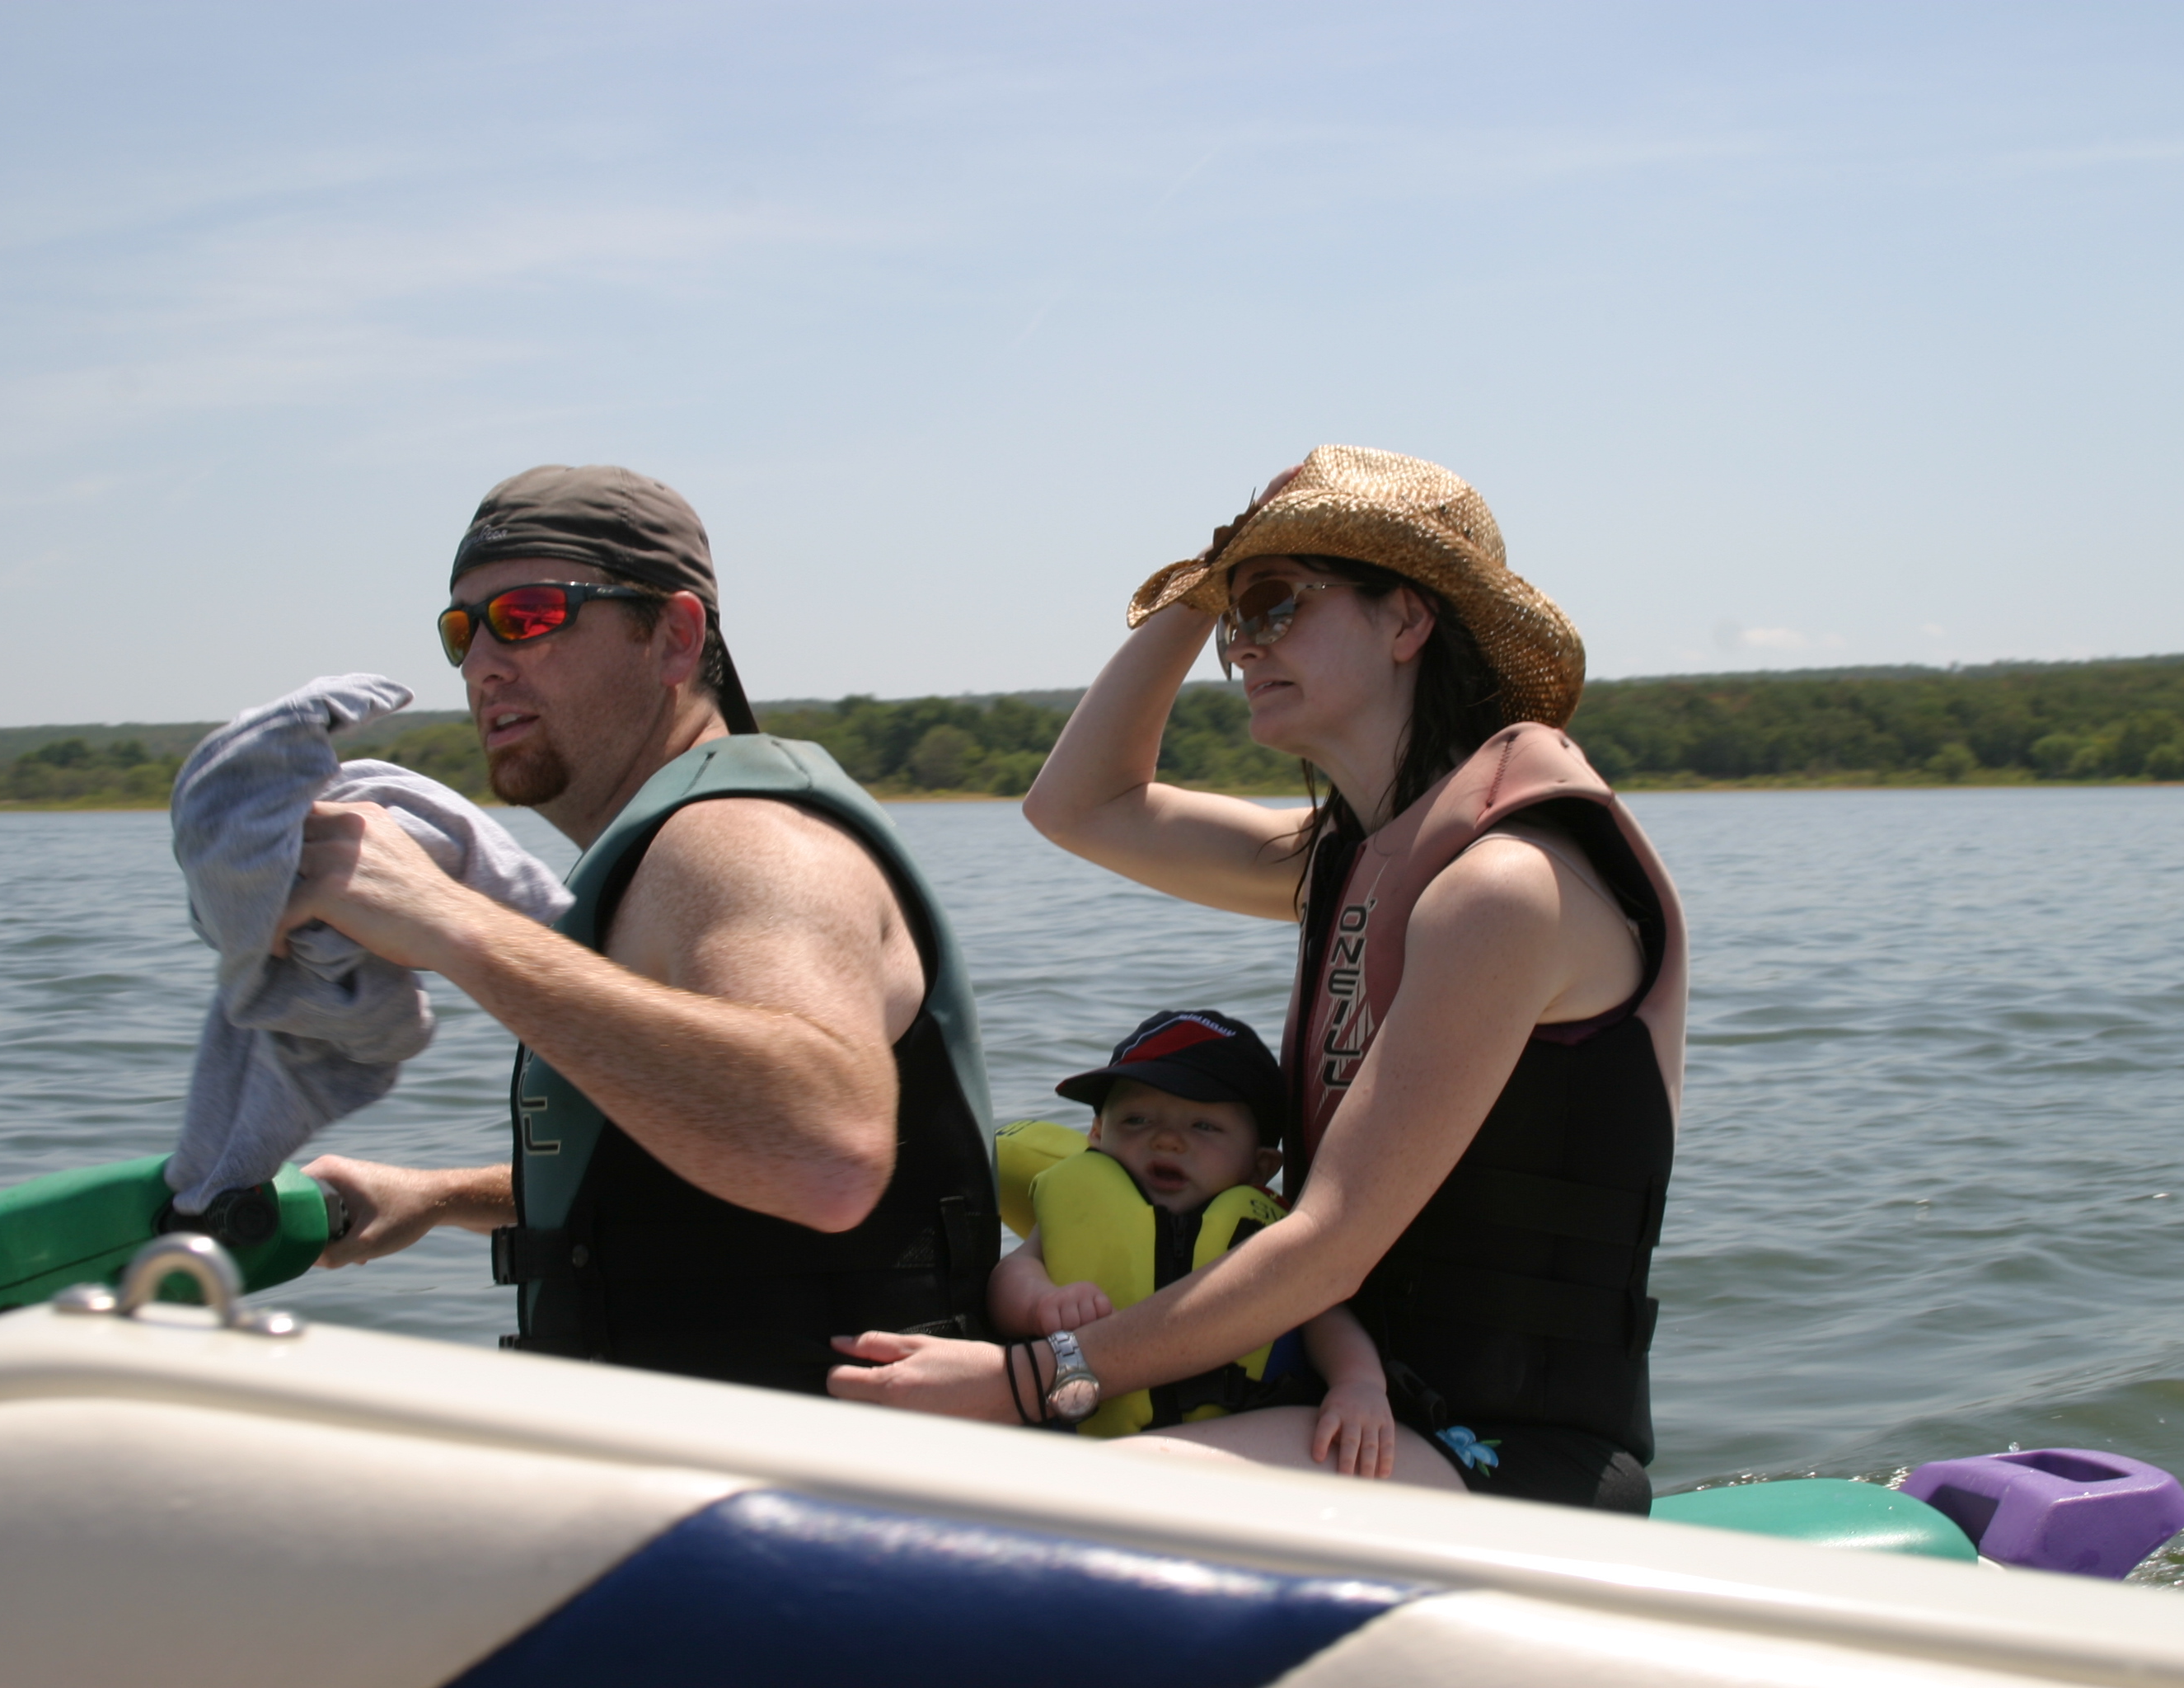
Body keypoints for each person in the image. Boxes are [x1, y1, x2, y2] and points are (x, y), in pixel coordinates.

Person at [830, 445, 1685, 1512]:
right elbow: (1078, 806)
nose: (1241, 649)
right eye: (1234, 622)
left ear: (1407, 622)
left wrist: (1027, 1381)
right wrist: (1207, 581)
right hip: (1345, 1400)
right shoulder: (1349, 860)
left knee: (1053, 1511)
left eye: (1276, 605)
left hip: (1507, 1451)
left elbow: (1326, 1249)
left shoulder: (1508, 888)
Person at [285, 464, 1001, 1392]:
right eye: (462, 631)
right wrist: (444, 1198)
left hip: (817, 1500)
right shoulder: (665, 850)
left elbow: (825, 1152)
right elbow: (695, 1160)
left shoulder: (737, 840)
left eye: (530, 615)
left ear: (674, 635)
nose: (482, 663)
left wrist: (445, 918)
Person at [993, 1010, 1394, 1479]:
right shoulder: (1080, 1207)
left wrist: (1359, 1383)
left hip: (1242, 1441)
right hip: (1086, 1428)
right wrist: (1042, 1302)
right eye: (1137, 1119)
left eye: (1203, 1127)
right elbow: (1012, 1273)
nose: (1166, 1140)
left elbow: (1326, 1317)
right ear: (1098, 1136)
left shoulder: (1269, 1234)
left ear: (1260, 1165)